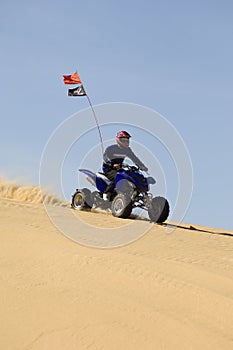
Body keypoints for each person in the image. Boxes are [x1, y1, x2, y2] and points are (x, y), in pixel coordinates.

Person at [102, 130, 148, 200]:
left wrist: (142, 166)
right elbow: (106, 158)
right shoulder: (110, 148)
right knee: (118, 176)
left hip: (119, 168)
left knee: (129, 176)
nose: (126, 142)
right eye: (124, 140)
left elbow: (135, 158)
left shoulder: (127, 150)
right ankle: (106, 194)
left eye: (127, 140)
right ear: (118, 140)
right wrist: (112, 164)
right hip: (109, 169)